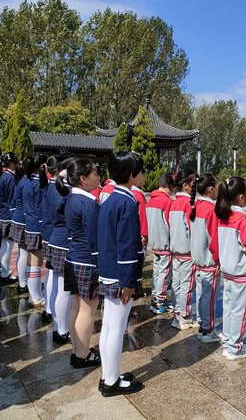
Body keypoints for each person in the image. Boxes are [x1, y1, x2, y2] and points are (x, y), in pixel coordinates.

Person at [97, 151, 144, 397]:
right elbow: (127, 246)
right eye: (141, 170)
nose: (144, 174)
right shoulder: (127, 202)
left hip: (108, 270)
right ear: (131, 174)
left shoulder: (110, 198)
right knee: (116, 328)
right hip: (120, 275)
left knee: (108, 326)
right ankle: (111, 381)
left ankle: (108, 374)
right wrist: (127, 281)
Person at [59, 157, 101, 368]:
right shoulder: (88, 203)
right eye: (95, 173)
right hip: (87, 261)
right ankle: (83, 355)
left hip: (73, 258)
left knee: (76, 308)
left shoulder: (71, 198)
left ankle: (77, 350)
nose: (98, 177)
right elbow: (94, 240)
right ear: (83, 179)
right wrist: (102, 265)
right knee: (87, 310)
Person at [215, 176, 246, 360]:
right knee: (241, 312)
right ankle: (235, 348)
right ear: (242, 197)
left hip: (228, 272)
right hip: (241, 274)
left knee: (228, 309)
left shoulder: (223, 218)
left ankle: (228, 342)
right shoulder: (243, 220)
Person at [190, 174, 221, 343]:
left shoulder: (195, 206)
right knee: (209, 298)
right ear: (211, 189)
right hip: (209, 260)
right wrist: (218, 259)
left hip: (197, 259)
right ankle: (208, 331)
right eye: (217, 186)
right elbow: (214, 239)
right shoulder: (211, 209)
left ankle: (202, 325)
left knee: (201, 294)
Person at [169, 169, 198, 330]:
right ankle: (185, 317)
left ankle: (177, 315)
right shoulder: (188, 204)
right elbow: (191, 229)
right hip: (187, 251)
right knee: (187, 285)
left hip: (175, 250)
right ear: (186, 185)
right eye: (195, 182)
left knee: (177, 284)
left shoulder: (174, 202)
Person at [47, 158, 72, 345]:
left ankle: (58, 327)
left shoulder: (52, 187)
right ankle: (62, 330)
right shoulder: (66, 191)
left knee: (57, 286)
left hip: (55, 237)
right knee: (63, 289)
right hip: (64, 240)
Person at [146, 172, 175, 315]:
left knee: (156, 271)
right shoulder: (167, 202)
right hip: (165, 243)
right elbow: (171, 224)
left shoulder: (151, 200)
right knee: (164, 273)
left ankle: (155, 298)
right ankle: (160, 301)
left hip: (154, 242)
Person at [23, 153, 49, 306]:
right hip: (37, 225)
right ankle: (36, 296)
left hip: (30, 223)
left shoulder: (28, 181)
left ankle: (33, 294)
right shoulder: (38, 183)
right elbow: (41, 207)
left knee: (31, 260)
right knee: (36, 261)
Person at [41, 155, 63, 323]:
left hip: (49, 232)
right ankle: (50, 310)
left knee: (51, 274)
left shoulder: (49, 186)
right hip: (54, 233)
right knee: (54, 276)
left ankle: (49, 307)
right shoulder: (58, 189)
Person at [9, 159, 30, 294]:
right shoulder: (27, 182)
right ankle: (23, 283)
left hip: (18, 218)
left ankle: (22, 282)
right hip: (23, 220)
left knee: (22, 253)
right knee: (24, 253)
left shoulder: (21, 181)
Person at [0, 152, 20, 282]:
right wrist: (15, 218)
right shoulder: (10, 178)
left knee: (5, 244)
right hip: (9, 215)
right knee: (7, 245)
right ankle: (5, 273)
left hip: (4, 214)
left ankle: (4, 271)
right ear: (11, 163)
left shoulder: (4, 176)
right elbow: (12, 200)